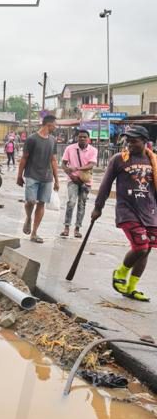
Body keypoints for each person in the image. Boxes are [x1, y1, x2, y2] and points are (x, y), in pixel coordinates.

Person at [92, 125, 157, 302]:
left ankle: (131, 287)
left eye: (134, 141)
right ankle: (120, 272)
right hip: (127, 211)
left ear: (145, 142)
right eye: (127, 141)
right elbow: (105, 184)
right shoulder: (119, 159)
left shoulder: (153, 161)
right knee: (141, 247)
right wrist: (98, 206)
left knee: (147, 250)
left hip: (150, 212)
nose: (129, 144)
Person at [17, 114, 60, 243]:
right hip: (32, 175)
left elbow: (53, 160)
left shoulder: (53, 140)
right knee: (30, 201)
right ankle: (28, 218)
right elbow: (24, 158)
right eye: (55, 124)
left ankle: (34, 233)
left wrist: (56, 180)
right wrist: (19, 175)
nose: (56, 127)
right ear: (49, 125)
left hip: (47, 178)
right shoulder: (32, 139)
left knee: (41, 203)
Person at [61, 129, 98, 239]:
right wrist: (71, 175)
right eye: (80, 137)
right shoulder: (69, 148)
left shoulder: (93, 150)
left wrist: (77, 168)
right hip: (72, 180)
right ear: (77, 137)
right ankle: (66, 227)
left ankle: (77, 229)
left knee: (81, 205)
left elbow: (91, 165)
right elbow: (63, 164)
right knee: (71, 202)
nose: (82, 139)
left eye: (84, 137)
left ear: (88, 139)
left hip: (86, 181)